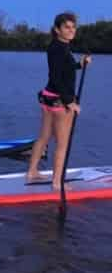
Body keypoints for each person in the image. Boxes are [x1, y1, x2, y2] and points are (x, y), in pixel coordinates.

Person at [26, 12, 92, 190]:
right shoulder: (59, 48)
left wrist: (80, 65)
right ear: (57, 29)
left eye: (73, 27)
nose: (71, 30)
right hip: (60, 102)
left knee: (44, 137)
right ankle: (57, 183)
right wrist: (70, 101)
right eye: (67, 27)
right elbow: (57, 77)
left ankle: (32, 172)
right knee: (63, 144)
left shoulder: (58, 46)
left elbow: (64, 69)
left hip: (48, 97)